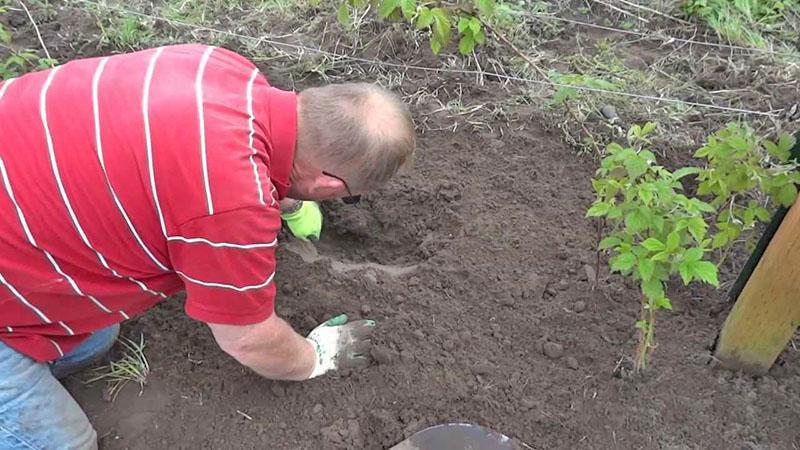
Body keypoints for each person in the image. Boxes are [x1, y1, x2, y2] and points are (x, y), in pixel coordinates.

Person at [0, 44, 415, 449]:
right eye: (348, 195)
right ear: (327, 185)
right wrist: (313, 356)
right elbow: (248, 339)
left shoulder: (224, 67)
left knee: (94, 338)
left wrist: (287, 200)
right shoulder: (232, 206)